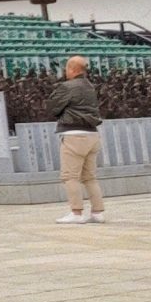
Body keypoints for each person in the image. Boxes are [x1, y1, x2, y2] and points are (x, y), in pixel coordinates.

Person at [49, 54, 105, 224]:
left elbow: (53, 107)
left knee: (70, 176)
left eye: (66, 68)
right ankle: (98, 212)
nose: (65, 71)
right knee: (90, 177)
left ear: (73, 69)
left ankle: (76, 212)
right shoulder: (90, 86)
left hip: (74, 134)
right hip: (92, 134)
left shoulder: (67, 87)